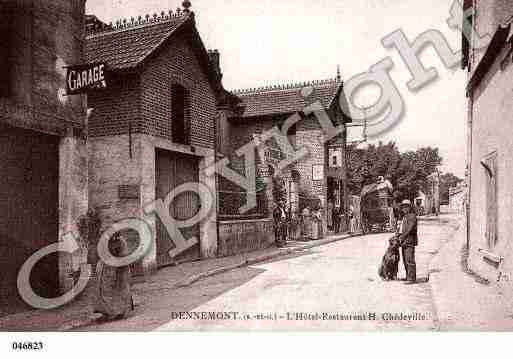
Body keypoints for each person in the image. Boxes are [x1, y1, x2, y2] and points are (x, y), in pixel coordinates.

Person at [94, 233, 134, 320]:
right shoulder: (106, 240)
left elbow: (123, 255)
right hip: (107, 268)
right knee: (105, 290)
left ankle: (119, 312)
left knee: (119, 289)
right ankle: (107, 312)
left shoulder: (121, 242)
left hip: (118, 269)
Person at [396, 199, 418, 284]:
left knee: (409, 259)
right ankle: (408, 276)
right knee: (405, 259)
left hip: (409, 240)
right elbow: (401, 229)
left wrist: (402, 237)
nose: (404, 209)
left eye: (406, 207)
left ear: (410, 207)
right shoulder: (404, 216)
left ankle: (412, 278)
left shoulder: (412, 216)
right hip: (404, 241)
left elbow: (410, 229)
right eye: (403, 207)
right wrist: (397, 235)